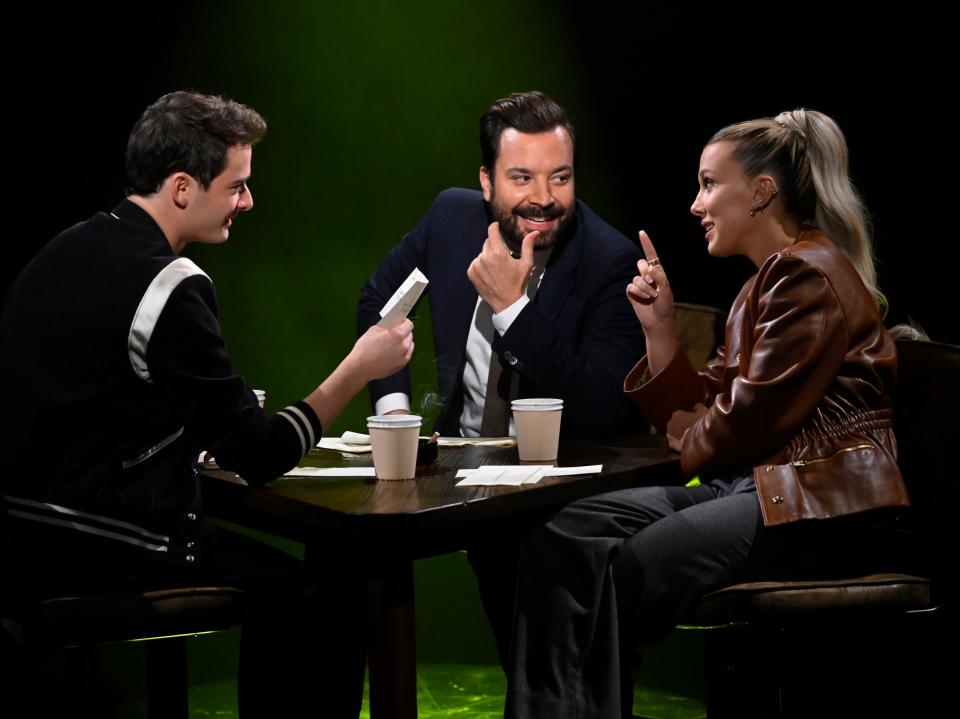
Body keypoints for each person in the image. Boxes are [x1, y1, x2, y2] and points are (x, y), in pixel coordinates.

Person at [0, 91, 413, 716]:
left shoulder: (65, 249)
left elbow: (89, 406)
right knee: (322, 593)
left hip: (20, 536)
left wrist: (184, 435)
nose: (247, 202)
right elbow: (260, 455)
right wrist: (359, 367)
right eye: (237, 186)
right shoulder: (170, 284)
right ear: (183, 187)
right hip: (100, 546)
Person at [505, 109, 914, 718]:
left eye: (709, 184)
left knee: (634, 565)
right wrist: (663, 333)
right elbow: (707, 408)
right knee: (562, 536)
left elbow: (738, 421)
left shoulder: (808, 274)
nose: (696, 205)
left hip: (821, 509)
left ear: (761, 193)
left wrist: (695, 429)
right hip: (760, 489)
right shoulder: (760, 287)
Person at [357, 90, 644, 439]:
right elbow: (380, 301)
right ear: (487, 182)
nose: (543, 198)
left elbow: (607, 413)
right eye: (522, 178)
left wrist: (513, 310)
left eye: (560, 178)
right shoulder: (450, 220)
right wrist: (395, 417)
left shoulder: (610, 261)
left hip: (558, 476)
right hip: (453, 464)